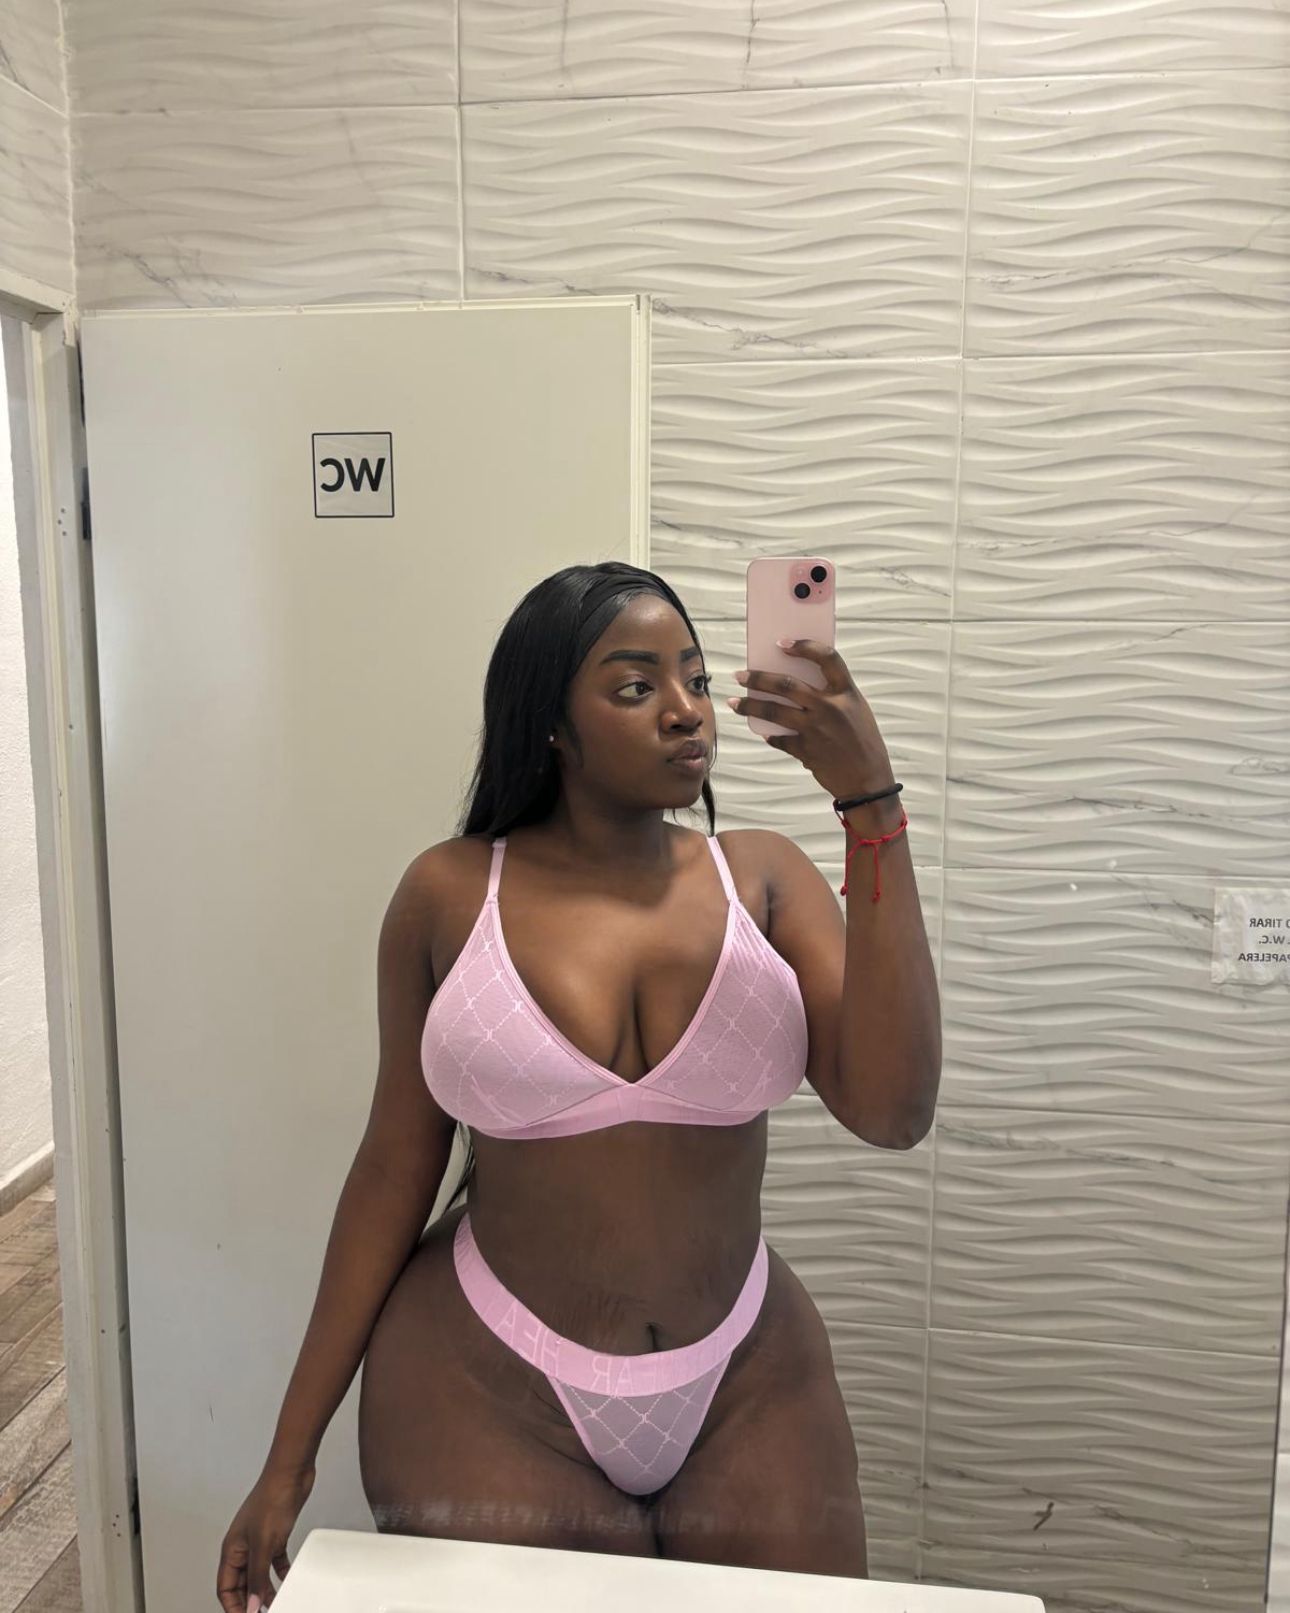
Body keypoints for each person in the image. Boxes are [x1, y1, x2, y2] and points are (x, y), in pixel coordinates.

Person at [217, 562, 938, 1612]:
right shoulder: (449, 892)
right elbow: (393, 1168)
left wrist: (870, 802)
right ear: (550, 723)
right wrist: (289, 1457)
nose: (687, 710)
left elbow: (894, 1110)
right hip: (484, 1380)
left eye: (695, 677)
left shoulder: (764, 877)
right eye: (637, 686)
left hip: (745, 1376)